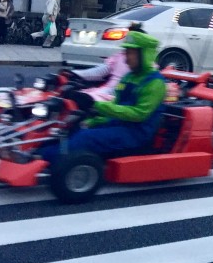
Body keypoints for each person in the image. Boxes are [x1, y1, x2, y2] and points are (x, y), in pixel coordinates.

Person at [39, 29, 167, 164]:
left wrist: (96, 105)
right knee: (74, 127)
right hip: (119, 124)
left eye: (130, 53)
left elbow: (139, 114)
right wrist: (92, 120)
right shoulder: (129, 77)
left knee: (87, 138)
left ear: (144, 55)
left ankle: (44, 158)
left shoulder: (155, 83)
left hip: (137, 133)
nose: (126, 57)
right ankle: (44, 151)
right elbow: (116, 104)